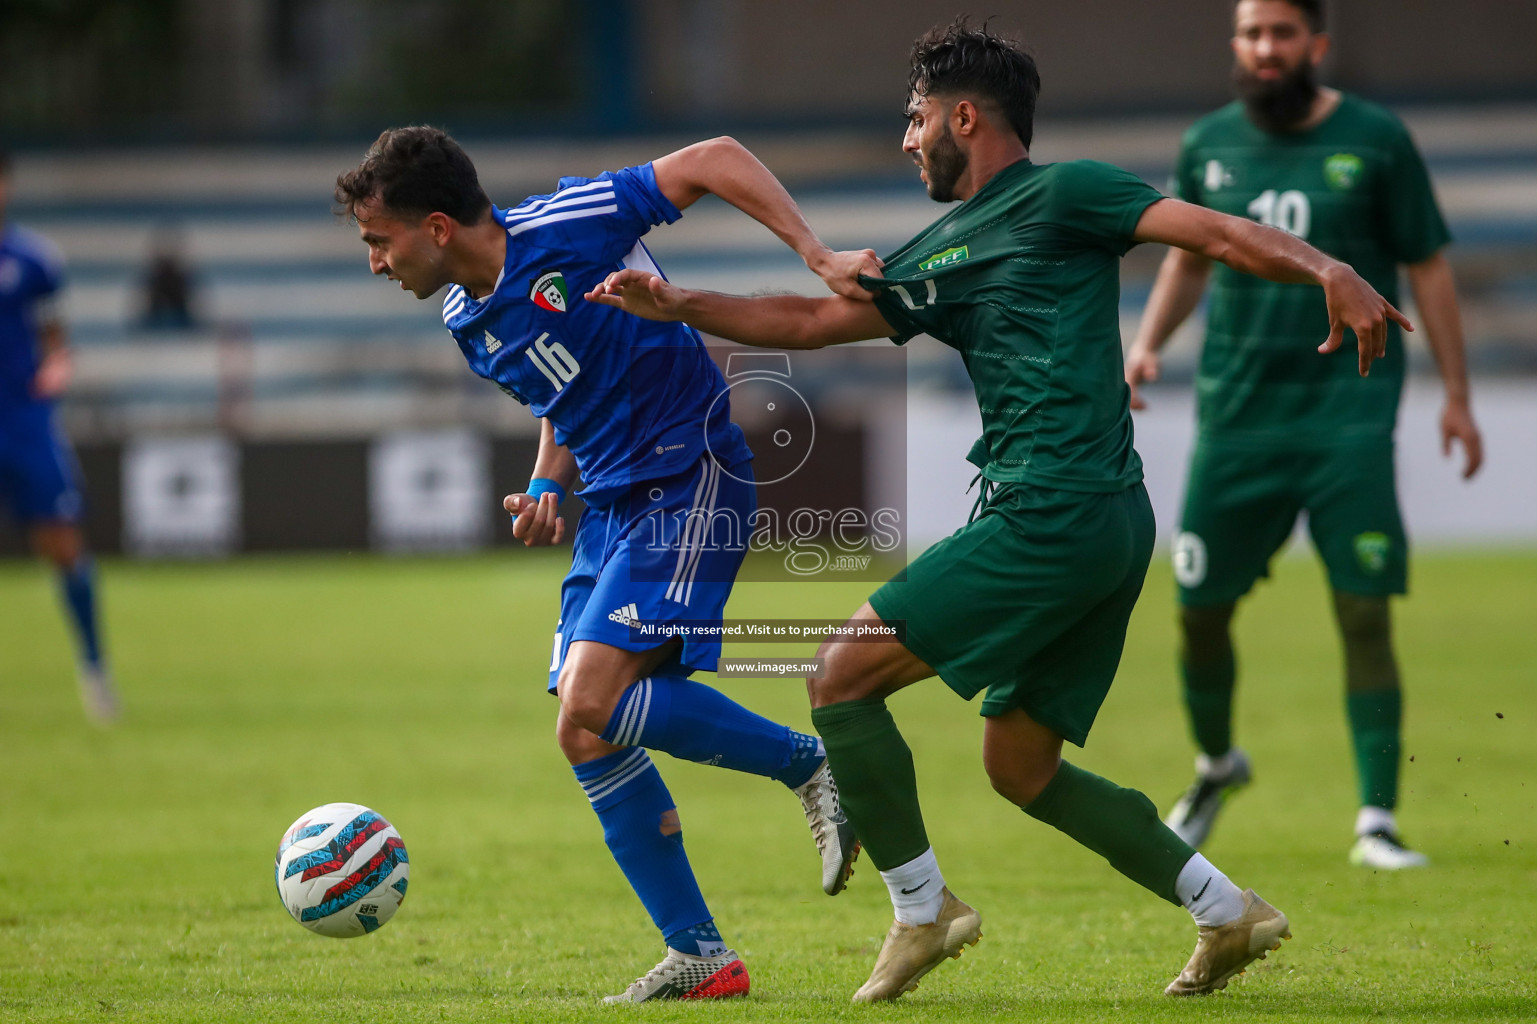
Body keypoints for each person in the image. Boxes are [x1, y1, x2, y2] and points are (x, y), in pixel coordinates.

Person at [588, 19, 1412, 1001]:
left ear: (961, 116)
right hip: (1102, 520)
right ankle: (1226, 910)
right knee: (1019, 763)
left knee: (840, 674)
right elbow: (811, 320)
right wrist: (681, 303)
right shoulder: (943, 248)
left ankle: (920, 909)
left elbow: (1216, 231)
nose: (905, 139)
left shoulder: (1069, 193)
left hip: (1052, 513)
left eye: (913, 118)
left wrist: (1330, 268)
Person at [335, 127, 878, 1002]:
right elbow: (563, 395)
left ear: (435, 226)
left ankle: (811, 766)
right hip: (614, 508)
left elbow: (715, 157)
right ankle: (700, 954)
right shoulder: (466, 318)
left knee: (595, 698)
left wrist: (815, 255)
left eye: (377, 240)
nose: (374, 263)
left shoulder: (568, 224)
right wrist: (546, 481)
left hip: (688, 472)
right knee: (584, 729)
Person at [1123, 0, 1482, 870]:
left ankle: (1375, 820)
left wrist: (1456, 394)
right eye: (1251, 34)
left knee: (1362, 608)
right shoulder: (1207, 143)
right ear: (1236, 45)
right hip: (1236, 418)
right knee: (1197, 610)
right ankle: (1216, 766)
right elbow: (1186, 256)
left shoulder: (1377, 138)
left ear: (1315, 44)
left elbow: (1427, 265)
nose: (1265, 49)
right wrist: (1145, 344)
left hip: (1345, 416)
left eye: (1282, 33)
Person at [0, 147, 118, 723]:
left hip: (23, 421)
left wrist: (57, 366)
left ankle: (95, 671)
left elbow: (54, 336)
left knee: (64, 546)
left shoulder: (33, 259)